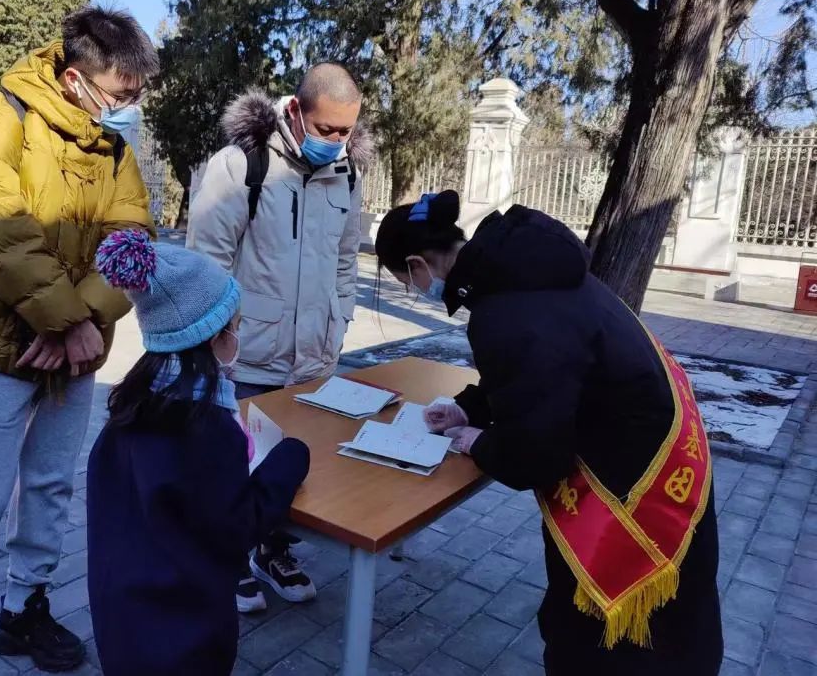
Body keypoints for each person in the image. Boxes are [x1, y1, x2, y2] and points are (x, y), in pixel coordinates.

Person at [0, 7, 158, 676]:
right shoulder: (0, 117)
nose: (129, 107)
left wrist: (83, 321)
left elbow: (133, 241)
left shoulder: (115, 151)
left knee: (50, 486)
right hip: (0, 344)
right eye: (122, 94)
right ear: (75, 79)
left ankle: (22, 609)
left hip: (76, 347)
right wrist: (64, 321)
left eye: (137, 94)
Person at [373, 191, 723, 675]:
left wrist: (481, 443)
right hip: (656, 449)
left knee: (606, 637)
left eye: (405, 282)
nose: (415, 290)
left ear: (417, 265)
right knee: (672, 624)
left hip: (630, 491)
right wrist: (467, 408)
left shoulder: (505, 309)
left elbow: (537, 454)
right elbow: (541, 371)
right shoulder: (522, 271)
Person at [186, 62, 371, 612]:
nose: (336, 142)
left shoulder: (348, 175)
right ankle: (226, 557)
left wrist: (340, 320)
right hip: (248, 356)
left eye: (346, 132)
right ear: (295, 111)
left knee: (295, 462)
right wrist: (218, 344)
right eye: (326, 129)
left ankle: (274, 551)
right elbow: (208, 263)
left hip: (313, 359)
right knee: (234, 463)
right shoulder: (243, 165)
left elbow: (345, 260)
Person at [85, 230, 310, 676]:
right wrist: (291, 457)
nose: (237, 336)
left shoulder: (131, 408)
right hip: (184, 637)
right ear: (214, 339)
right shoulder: (206, 427)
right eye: (235, 327)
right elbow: (238, 526)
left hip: (121, 623)